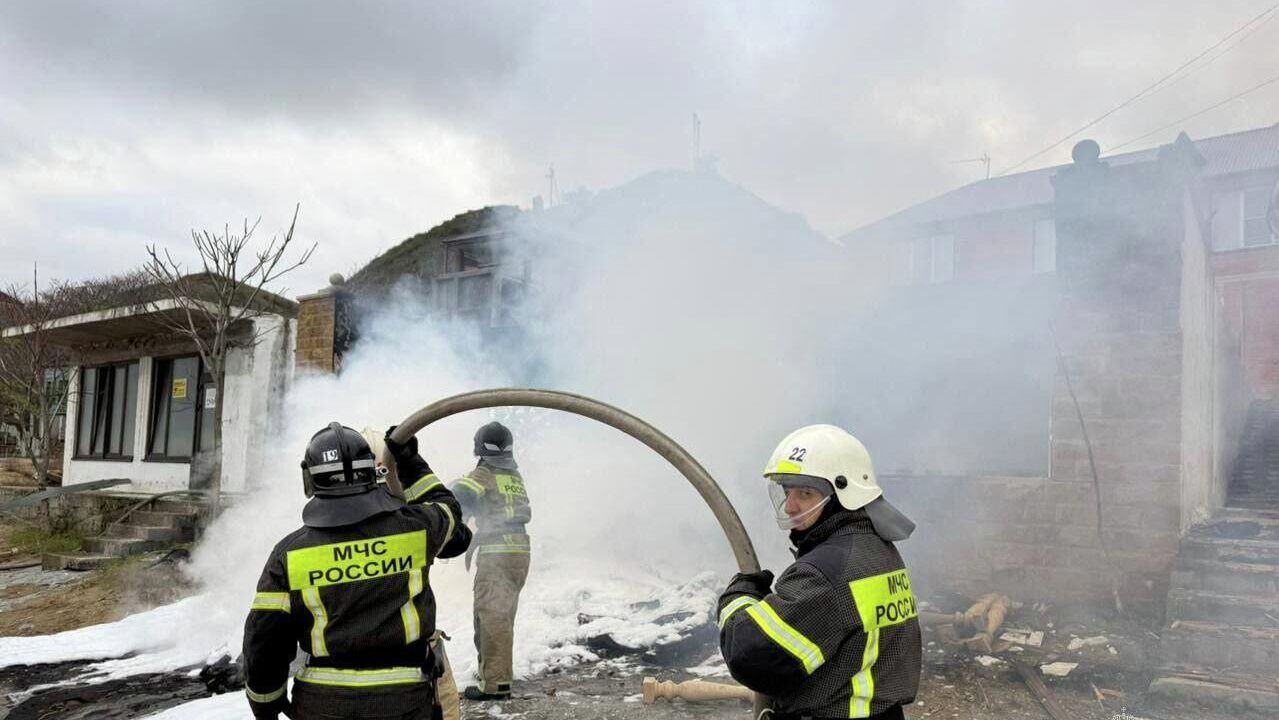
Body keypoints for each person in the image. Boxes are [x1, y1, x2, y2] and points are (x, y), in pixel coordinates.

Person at [242, 422, 471, 720]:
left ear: (309, 479)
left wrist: (266, 705)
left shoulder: (289, 553)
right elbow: (450, 515)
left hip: (321, 706)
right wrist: (412, 463)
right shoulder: (415, 528)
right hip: (404, 702)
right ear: (373, 473)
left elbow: (264, 640)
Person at [718, 424, 922, 720]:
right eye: (788, 492)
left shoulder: (827, 573)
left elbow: (752, 658)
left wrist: (740, 595)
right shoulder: (878, 550)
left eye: (806, 492)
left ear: (843, 493)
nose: (790, 506)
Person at [449, 421, 531, 701]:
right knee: (500, 615)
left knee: (491, 616)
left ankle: (495, 685)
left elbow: (460, 496)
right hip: (519, 552)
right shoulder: (513, 476)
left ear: (479, 448)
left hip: (498, 553)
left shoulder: (485, 473)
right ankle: (492, 672)